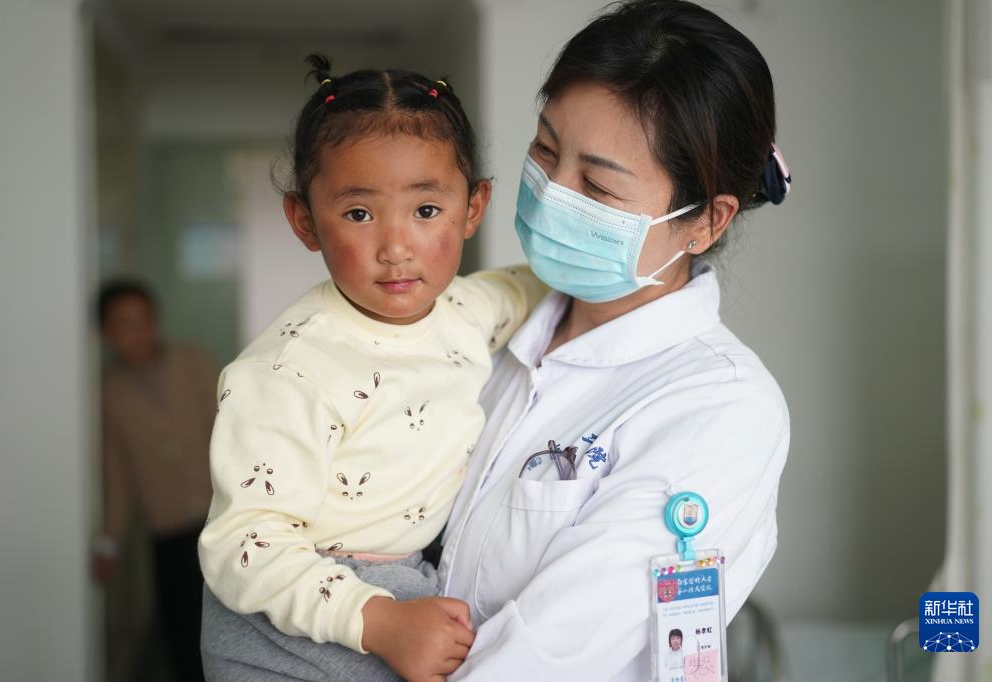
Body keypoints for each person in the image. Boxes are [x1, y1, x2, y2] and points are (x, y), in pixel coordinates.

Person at [437, 1, 792, 679]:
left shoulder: (721, 409)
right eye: (545, 150)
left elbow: (548, 657)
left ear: (706, 222)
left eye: (597, 186)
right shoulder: (482, 323)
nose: (551, 192)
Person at [197, 55, 547, 682]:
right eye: (359, 214)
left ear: (473, 207)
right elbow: (243, 545)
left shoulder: (466, 310)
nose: (396, 247)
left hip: (399, 585)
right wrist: (379, 619)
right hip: (287, 604)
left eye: (426, 210)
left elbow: (533, 288)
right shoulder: (287, 372)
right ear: (305, 220)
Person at [95, 279, 218, 681]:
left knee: (230, 625)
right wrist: (109, 541)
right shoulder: (109, 392)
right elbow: (116, 473)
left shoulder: (194, 363)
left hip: (221, 519)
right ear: (105, 333)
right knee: (181, 633)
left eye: (144, 320)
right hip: (167, 530)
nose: (139, 332)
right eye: (124, 324)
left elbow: (234, 432)